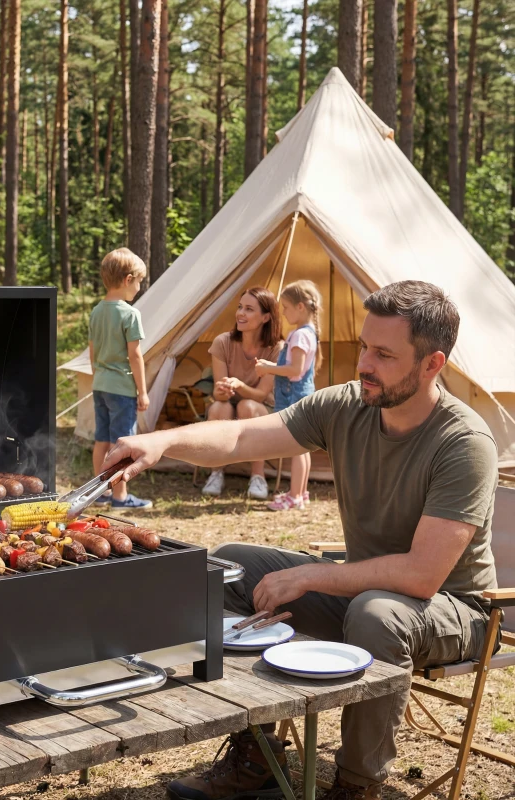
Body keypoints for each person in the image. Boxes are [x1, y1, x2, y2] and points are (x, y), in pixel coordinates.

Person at [102, 281, 499, 800]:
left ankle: (357, 786)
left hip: (454, 607)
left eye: (383, 354)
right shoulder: (346, 406)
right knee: (229, 569)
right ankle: (257, 755)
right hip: (364, 591)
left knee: (379, 614)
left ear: (431, 364)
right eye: (362, 346)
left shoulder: (463, 443)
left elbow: (422, 575)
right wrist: (160, 441)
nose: (364, 365)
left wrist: (312, 574)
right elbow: (244, 437)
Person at [201, 287, 283, 500]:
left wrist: (238, 385)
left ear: (266, 317)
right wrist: (222, 390)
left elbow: (261, 394)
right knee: (220, 406)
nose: (240, 313)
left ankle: (258, 476)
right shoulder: (222, 342)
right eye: (239, 307)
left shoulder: (277, 348)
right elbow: (219, 395)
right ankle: (216, 472)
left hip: (261, 408)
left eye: (248, 309)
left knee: (246, 406)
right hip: (228, 406)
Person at [88, 248, 153, 511]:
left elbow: (92, 352)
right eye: (138, 282)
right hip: (122, 389)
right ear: (127, 279)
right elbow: (135, 356)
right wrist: (143, 391)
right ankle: (120, 497)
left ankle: (99, 491)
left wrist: (98, 377)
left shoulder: (96, 311)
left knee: (101, 440)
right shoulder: (130, 314)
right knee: (123, 445)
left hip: (100, 385)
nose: (138, 288)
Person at [255, 280, 323, 511]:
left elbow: (295, 370)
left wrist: (268, 368)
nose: (283, 312)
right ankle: (300, 493)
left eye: (285, 307)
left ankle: (294, 495)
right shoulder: (308, 333)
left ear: (301, 307)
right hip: (300, 394)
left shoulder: (300, 336)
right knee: (302, 448)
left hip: (293, 396)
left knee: (296, 447)